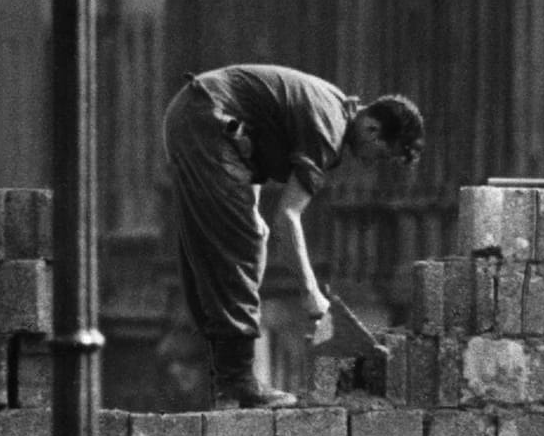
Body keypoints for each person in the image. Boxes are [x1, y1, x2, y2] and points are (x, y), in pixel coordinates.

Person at [162, 64, 423, 409]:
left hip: (201, 117)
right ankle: (238, 380)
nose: (374, 164)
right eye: (382, 155)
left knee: (241, 235)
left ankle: (227, 378)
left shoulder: (335, 105)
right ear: (373, 130)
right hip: (207, 121)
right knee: (242, 243)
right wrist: (312, 295)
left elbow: (254, 131)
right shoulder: (329, 128)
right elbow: (288, 216)